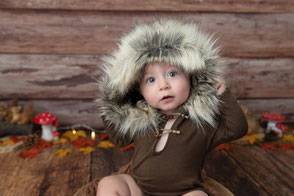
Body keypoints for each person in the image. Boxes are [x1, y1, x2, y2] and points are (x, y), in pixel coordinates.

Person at [96, 19, 248, 196]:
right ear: (139, 89)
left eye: (172, 73)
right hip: (139, 189)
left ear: (191, 77)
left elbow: (238, 129)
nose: (164, 85)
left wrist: (223, 95)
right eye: (151, 80)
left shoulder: (203, 123)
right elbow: (119, 139)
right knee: (109, 183)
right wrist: (111, 102)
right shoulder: (140, 118)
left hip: (184, 192)